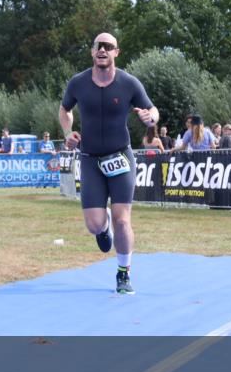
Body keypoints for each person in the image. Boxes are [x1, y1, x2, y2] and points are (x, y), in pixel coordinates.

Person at [59, 32, 158, 295]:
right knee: (94, 224)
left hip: (120, 158)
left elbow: (152, 110)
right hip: (90, 159)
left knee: (122, 220)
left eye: (108, 46)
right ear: (92, 52)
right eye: (98, 46)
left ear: (116, 52)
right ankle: (102, 231)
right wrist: (68, 134)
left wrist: (150, 118)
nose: (102, 50)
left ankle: (123, 274)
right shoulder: (78, 83)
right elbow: (64, 109)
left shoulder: (129, 83)